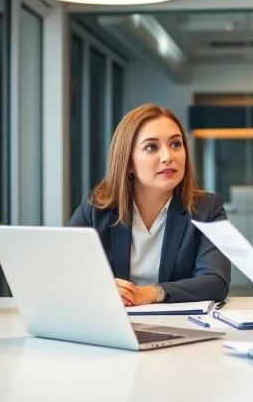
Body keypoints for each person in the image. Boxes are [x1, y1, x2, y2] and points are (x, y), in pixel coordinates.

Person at [68, 104, 231, 306]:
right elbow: (63, 273)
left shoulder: (207, 209)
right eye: (151, 147)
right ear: (128, 161)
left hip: (180, 327)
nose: (168, 156)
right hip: (111, 324)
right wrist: (100, 289)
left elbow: (216, 282)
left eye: (176, 144)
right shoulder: (95, 209)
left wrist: (149, 293)